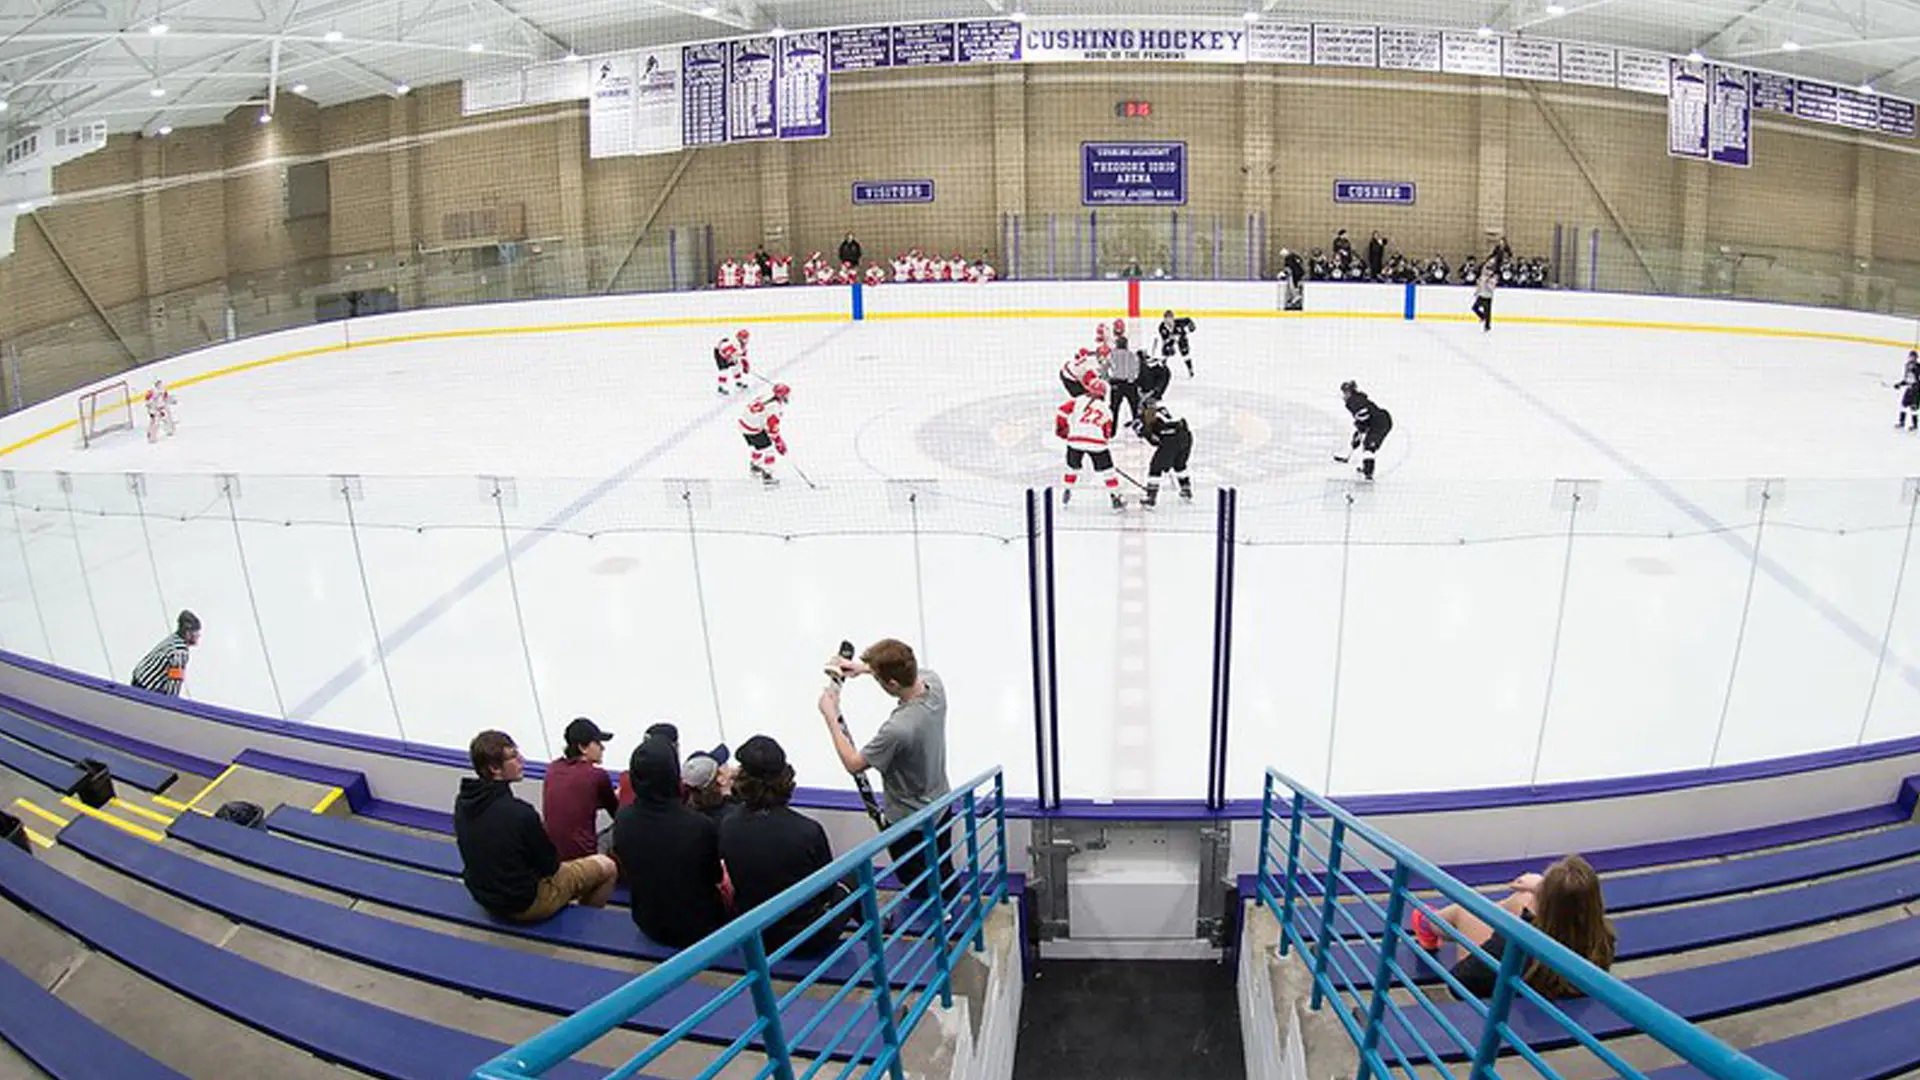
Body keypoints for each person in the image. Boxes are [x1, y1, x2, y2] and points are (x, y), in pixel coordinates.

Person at [820, 639, 956, 924]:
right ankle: (950, 907)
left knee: (917, 879)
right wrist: (864, 668)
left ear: (892, 683)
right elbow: (903, 668)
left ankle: (934, 922)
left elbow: (854, 763)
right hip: (942, 806)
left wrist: (831, 717)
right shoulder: (934, 685)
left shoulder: (899, 729)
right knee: (942, 866)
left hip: (910, 822)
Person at [454, 731, 617, 922]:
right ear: (494, 768)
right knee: (607, 866)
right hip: (523, 904)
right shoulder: (521, 814)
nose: (521, 760)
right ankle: (583, 924)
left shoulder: (464, 803)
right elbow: (550, 867)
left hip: (486, 898)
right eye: (513, 756)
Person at [1408, 854, 1615, 1000]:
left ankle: (1427, 923)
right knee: (1521, 898)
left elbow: (1461, 981)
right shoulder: (1601, 937)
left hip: (1507, 1001)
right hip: (1553, 991)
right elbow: (1569, 906)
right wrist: (1540, 890)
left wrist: (1521, 920)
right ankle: (1443, 920)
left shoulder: (1520, 942)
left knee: (1467, 910)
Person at [719, 735, 853, 957]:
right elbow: (827, 891)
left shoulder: (728, 825)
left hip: (757, 935)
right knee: (853, 876)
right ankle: (881, 928)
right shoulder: (807, 830)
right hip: (807, 938)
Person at [612, 733, 728, 946]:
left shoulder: (623, 820)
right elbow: (715, 876)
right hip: (699, 927)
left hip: (648, 923)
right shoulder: (699, 826)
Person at [542, 717, 619, 862]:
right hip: (583, 859)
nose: (603, 748)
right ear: (582, 747)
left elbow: (577, 802)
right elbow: (617, 814)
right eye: (597, 743)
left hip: (553, 859)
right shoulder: (597, 775)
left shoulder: (553, 769)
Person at [1055, 386, 1124, 509]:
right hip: (1096, 443)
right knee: (1108, 472)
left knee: (1072, 468)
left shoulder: (1077, 400)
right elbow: (1107, 432)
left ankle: (1067, 490)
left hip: (1075, 440)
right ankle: (1115, 497)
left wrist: (1062, 429)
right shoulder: (1106, 409)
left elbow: (1061, 411)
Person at [131, 610, 200, 696]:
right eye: (196, 631)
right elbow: (174, 683)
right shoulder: (180, 651)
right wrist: (172, 701)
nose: (199, 635)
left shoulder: (173, 638)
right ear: (188, 633)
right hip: (146, 688)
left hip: (139, 678)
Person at [1336, 381, 1393, 481]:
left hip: (1380, 423)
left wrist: (1361, 427)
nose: (1344, 395)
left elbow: (1364, 414)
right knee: (1366, 444)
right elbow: (1363, 418)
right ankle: (1365, 468)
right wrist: (1359, 431)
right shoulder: (1356, 399)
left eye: (1346, 392)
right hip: (1378, 422)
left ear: (1351, 392)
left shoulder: (1354, 401)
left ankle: (1368, 473)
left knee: (1369, 447)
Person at [1140, 399, 1193, 508]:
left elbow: (1155, 441)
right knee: (1179, 464)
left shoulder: (1153, 418)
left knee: (1155, 467)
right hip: (1186, 437)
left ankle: (1151, 497)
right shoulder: (1163, 411)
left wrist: (1143, 431)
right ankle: (1186, 489)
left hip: (1171, 439)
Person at [739, 382, 790, 487]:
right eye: (786, 394)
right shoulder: (774, 407)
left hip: (743, 424)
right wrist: (778, 442)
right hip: (753, 428)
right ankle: (768, 477)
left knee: (758, 447)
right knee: (769, 450)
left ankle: (755, 466)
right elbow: (772, 428)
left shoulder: (765, 395)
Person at [682, 749, 739, 824]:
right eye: (725, 764)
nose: (731, 767)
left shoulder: (688, 816)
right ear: (721, 780)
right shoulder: (735, 816)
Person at [1107, 335, 1143, 432]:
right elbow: (1137, 369)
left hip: (1116, 384)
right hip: (1130, 384)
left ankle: (1111, 431)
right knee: (1135, 408)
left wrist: (1108, 379)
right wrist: (1134, 379)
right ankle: (1139, 430)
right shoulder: (1132, 355)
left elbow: (1104, 368)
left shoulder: (1112, 354)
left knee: (1114, 409)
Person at [1159, 310, 1196, 378]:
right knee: (1166, 351)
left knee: (1185, 352)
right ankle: (1161, 368)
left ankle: (1190, 369)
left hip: (1181, 338)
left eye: (1170, 319)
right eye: (1166, 319)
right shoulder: (1162, 327)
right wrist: (1170, 346)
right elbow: (1165, 340)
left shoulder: (1179, 322)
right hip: (1171, 339)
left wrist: (1191, 326)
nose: (1168, 321)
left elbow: (1188, 320)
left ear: (1173, 318)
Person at [713, 328, 751, 395]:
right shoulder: (734, 344)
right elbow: (725, 352)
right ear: (740, 338)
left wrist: (745, 365)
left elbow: (743, 356)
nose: (746, 340)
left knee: (736, 367)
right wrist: (729, 358)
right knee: (724, 370)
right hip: (720, 354)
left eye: (746, 338)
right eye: (744, 338)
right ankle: (721, 387)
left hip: (729, 354)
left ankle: (738, 382)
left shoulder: (742, 345)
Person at [1472, 261, 1498, 332]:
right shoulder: (1482, 276)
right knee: (1474, 308)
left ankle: (1487, 326)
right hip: (1481, 295)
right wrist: (1477, 291)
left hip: (1488, 296)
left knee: (1487, 311)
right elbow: (1479, 285)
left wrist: (1488, 282)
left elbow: (1492, 288)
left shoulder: (1493, 278)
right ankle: (1482, 316)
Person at [1898, 350, 1920, 431]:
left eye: (1913, 357)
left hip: (1916, 390)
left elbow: (1917, 379)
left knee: (1914, 407)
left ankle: (1915, 425)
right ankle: (1901, 422)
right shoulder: (1907, 365)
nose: (1912, 358)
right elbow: (1907, 379)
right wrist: (1900, 384)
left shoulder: (1918, 366)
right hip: (1909, 388)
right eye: (1911, 356)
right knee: (1903, 405)